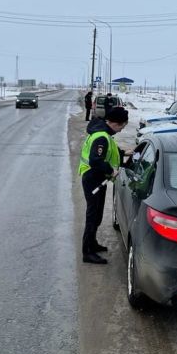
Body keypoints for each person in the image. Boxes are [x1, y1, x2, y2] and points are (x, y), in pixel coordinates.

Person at [77, 106, 129, 264]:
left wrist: (123, 153)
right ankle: (87, 252)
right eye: (122, 126)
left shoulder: (104, 133)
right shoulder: (101, 136)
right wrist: (111, 170)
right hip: (93, 179)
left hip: (98, 178)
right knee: (92, 215)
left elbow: (107, 152)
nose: (121, 130)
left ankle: (93, 244)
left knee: (98, 214)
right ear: (115, 123)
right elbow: (96, 159)